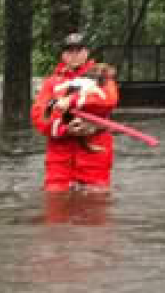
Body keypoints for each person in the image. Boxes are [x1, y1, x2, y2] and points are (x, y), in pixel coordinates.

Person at [31, 33, 121, 192]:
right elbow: (39, 117)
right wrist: (65, 129)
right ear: (63, 55)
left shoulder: (101, 76)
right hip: (59, 160)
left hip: (94, 155)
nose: (74, 55)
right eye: (69, 51)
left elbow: (109, 100)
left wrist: (72, 100)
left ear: (86, 52)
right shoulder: (51, 83)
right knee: (56, 203)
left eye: (78, 50)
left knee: (96, 205)